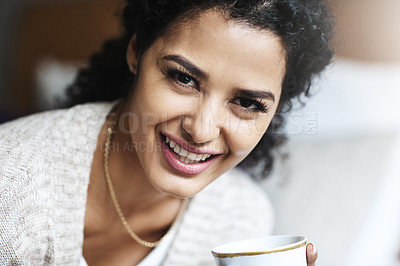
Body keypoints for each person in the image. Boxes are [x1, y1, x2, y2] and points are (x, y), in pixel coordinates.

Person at [0, 0, 333, 265]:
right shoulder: (12, 184)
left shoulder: (241, 217)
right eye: (184, 78)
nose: (201, 130)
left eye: (247, 102)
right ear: (136, 52)